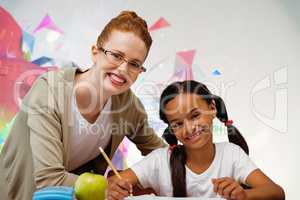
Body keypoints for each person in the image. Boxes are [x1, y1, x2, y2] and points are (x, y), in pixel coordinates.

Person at [0, 11, 166, 200]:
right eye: (116, 55)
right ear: (95, 52)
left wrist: (200, 163)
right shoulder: (49, 90)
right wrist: (105, 186)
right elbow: (49, 178)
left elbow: (161, 155)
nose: (123, 69)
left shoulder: (129, 106)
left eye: (135, 64)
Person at [107, 80, 285, 200]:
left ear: (212, 109)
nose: (189, 128)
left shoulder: (231, 155)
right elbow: (115, 181)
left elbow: (276, 192)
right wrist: (113, 187)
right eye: (177, 123)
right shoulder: (160, 160)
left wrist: (243, 195)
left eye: (195, 116)